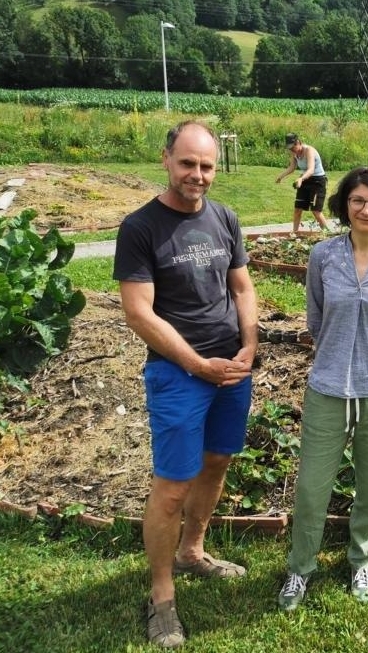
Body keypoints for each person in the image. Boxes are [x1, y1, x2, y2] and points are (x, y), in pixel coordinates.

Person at [112, 120, 258, 649]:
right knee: (172, 484)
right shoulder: (141, 227)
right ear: (166, 160)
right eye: (188, 163)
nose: (197, 175)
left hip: (232, 370)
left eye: (207, 166)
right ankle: (161, 596)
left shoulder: (225, 218)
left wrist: (249, 345)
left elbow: (241, 286)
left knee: (217, 461)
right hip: (179, 374)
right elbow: (139, 314)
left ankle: (192, 551)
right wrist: (198, 364)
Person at [277, 166, 368, 612]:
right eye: (357, 200)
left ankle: (362, 559)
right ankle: (300, 568)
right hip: (328, 385)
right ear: (344, 206)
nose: (366, 209)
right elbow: (315, 318)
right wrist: (335, 352)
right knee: (311, 487)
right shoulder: (323, 256)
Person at [276, 133, 329, 232]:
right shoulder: (294, 153)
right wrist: (281, 176)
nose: (292, 150)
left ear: (298, 142)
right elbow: (292, 167)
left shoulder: (309, 150)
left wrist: (300, 179)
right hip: (305, 180)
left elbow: (311, 169)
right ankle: (294, 233)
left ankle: (327, 233)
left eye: (293, 147)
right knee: (298, 209)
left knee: (316, 210)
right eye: (290, 148)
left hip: (318, 181)